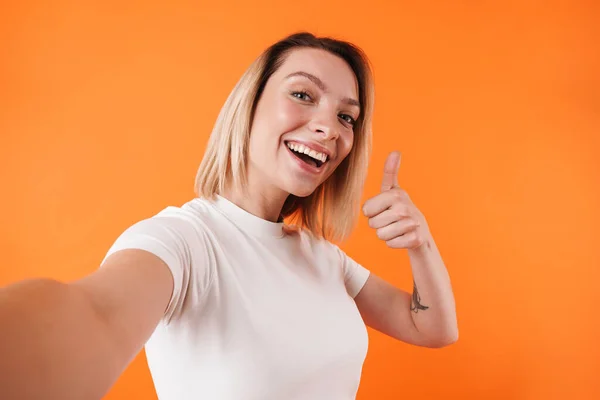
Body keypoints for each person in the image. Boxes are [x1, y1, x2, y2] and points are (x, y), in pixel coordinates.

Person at [0, 32, 458, 400]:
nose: (329, 127)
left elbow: (433, 327)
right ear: (249, 106)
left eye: (347, 117)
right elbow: (95, 314)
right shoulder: (183, 242)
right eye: (302, 94)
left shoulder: (324, 259)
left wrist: (420, 242)